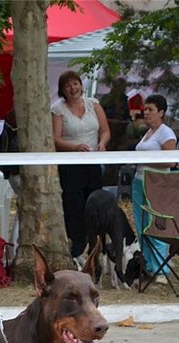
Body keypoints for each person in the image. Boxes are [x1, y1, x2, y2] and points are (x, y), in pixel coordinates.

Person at [51, 70, 110, 263]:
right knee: (74, 207)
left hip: (92, 163)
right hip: (70, 165)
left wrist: (102, 143)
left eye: (75, 84)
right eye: (68, 85)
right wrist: (74, 147)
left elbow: (105, 130)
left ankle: (96, 247)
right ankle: (76, 249)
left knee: (94, 205)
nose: (72, 88)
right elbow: (56, 139)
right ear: (62, 90)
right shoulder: (58, 109)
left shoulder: (94, 104)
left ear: (80, 85)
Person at [132, 94, 177, 282]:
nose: (146, 113)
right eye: (145, 109)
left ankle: (161, 269)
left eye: (150, 109)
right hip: (139, 181)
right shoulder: (147, 133)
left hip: (157, 183)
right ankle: (149, 265)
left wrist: (146, 160)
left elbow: (171, 161)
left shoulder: (166, 133)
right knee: (142, 225)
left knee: (156, 224)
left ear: (161, 112)